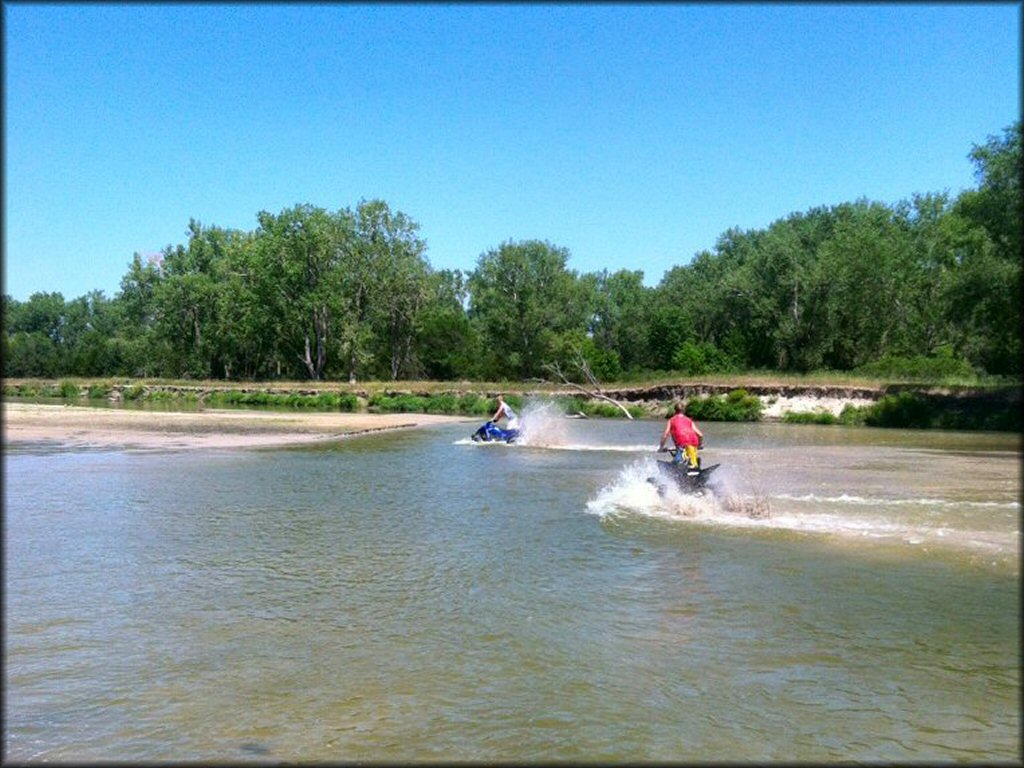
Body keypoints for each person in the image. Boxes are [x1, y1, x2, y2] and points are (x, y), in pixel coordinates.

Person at [659, 402, 704, 469]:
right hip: (694, 442)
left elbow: (665, 435)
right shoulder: (689, 420)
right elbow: (700, 435)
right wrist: (699, 445)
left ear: (675, 410)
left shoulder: (671, 420)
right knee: (691, 458)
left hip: (682, 443)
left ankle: (679, 468)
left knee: (678, 461)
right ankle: (694, 467)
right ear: (684, 410)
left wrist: (661, 447)